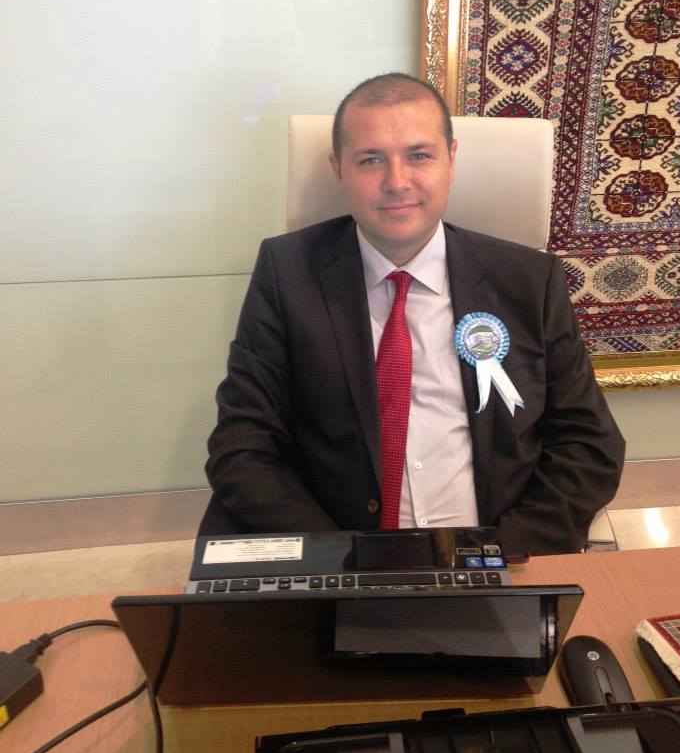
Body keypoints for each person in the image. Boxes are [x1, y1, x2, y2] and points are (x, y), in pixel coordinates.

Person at [204, 73, 625, 555]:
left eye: (419, 156)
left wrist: (504, 553)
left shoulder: (529, 280)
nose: (397, 182)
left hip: (496, 550)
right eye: (370, 160)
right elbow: (243, 444)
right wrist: (336, 557)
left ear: (452, 160)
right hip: (345, 555)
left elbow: (588, 443)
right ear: (338, 169)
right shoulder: (286, 272)